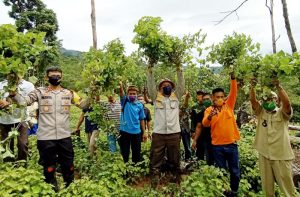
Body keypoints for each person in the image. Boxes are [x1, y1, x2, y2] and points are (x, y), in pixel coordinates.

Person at [5, 67, 87, 191]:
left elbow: (83, 105)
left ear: (62, 77)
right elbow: (24, 102)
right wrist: (13, 94)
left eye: (58, 75)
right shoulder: (39, 92)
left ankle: (70, 188)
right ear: (46, 77)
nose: (56, 77)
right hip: (45, 137)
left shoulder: (69, 93)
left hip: (65, 136)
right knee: (49, 167)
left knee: (68, 165)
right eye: (53, 75)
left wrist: (93, 94)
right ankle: (52, 190)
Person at [250, 78, 297, 197]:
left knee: (288, 190)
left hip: (281, 155)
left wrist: (278, 86)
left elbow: (287, 104)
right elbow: (253, 100)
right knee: (267, 190)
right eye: (266, 98)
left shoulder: (282, 113)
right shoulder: (261, 112)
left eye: (272, 98)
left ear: (276, 100)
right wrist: (252, 87)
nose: (268, 101)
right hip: (264, 154)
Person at [202, 72, 240, 196]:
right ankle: (225, 192)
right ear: (213, 97)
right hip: (217, 146)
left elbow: (233, 92)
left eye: (222, 96)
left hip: (231, 145)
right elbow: (204, 124)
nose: (220, 99)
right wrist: (209, 117)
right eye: (217, 97)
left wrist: (233, 79)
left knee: (234, 171)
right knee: (221, 171)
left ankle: (234, 191)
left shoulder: (228, 106)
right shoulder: (209, 110)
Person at [147, 65, 185, 187]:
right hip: (159, 134)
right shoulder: (156, 97)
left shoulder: (176, 97)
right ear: (160, 88)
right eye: (163, 85)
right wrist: (150, 71)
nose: (166, 86)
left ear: (172, 88)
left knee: (174, 158)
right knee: (155, 158)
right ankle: (154, 180)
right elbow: (150, 87)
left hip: (174, 133)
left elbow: (181, 85)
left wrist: (179, 69)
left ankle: (175, 179)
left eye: (168, 85)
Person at [0, 73, 34, 161]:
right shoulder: (1, 84)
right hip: (4, 120)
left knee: (23, 144)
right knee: (6, 144)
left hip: (22, 119)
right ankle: (8, 166)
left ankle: (21, 166)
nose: (12, 75)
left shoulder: (28, 85)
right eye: (9, 73)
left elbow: (29, 101)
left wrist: (10, 103)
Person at [119, 82, 145, 163]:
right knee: (125, 153)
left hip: (136, 132)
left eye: (134, 93)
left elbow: (142, 119)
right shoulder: (125, 101)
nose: (132, 95)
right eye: (130, 93)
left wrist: (144, 132)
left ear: (137, 94)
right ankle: (126, 170)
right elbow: (121, 93)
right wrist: (120, 86)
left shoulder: (139, 105)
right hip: (124, 132)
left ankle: (135, 169)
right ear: (127, 94)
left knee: (136, 153)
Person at [192, 92, 214, 165]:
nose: (206, 101)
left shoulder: (218, 110)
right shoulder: (201, 113)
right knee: (205, 157)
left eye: (207, 99)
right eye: (204, 99)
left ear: (212, 99)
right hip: (205, 138)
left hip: (216, 138)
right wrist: (195, 140)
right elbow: (199, 127)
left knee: (216, 157)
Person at [179, 91, 192, 161]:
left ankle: (188, 159)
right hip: (177, 127)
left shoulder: (190, 105)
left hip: (186, 127)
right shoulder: (176, 102)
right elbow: (183, 107)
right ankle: (178, 159)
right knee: (176, 146)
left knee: (187, 145)